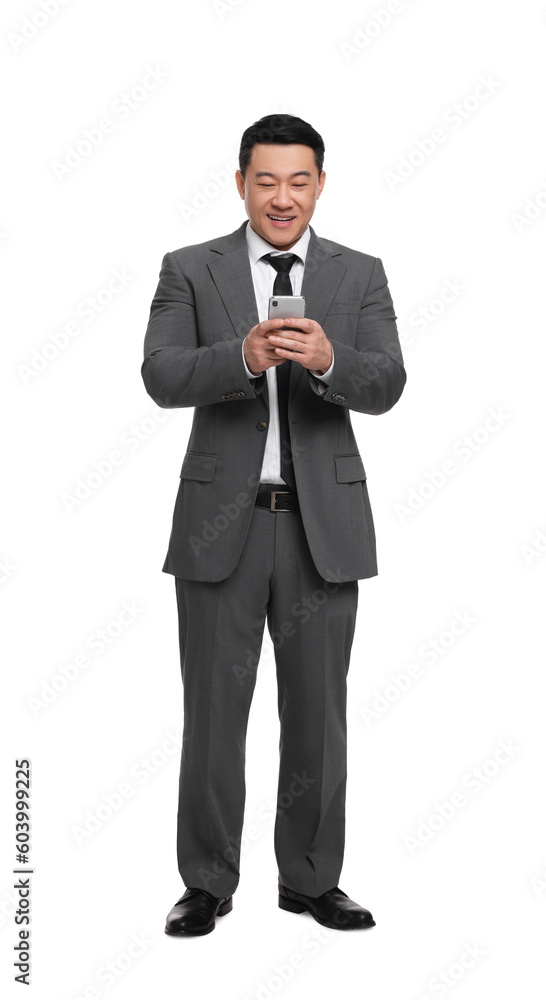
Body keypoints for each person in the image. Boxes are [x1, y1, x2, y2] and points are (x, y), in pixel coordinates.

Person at [142, 113, 407, 936]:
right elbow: (159, 374)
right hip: (223, 527)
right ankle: (207, 882)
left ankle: (312, 880)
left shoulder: (360, 275)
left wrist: (327, 360)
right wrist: (242, 359)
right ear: (241, 183)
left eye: (299, 181)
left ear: (320, 184)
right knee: (214, 716)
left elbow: (388, 381)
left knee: (320, 715)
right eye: (266, 180)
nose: (282, 197)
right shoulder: (191, 268)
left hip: (322, 529)